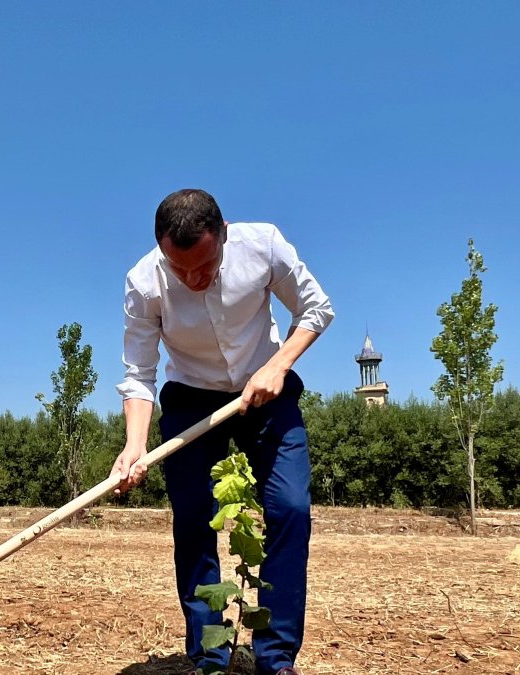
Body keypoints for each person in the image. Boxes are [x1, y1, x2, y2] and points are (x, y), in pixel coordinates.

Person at [109, 189, 333, 675]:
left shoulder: (264, 244)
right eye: (179, 269)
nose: (193, 280)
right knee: (193, 519)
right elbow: (139, 374)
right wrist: (134, 446)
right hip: (191, 399)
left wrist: (278, 366)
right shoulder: (143, 283)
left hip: (266, 390)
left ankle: (276, 659)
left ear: (224, 235)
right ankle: (209, 658)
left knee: (290, 509)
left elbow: (316, 309)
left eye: (205, 266)